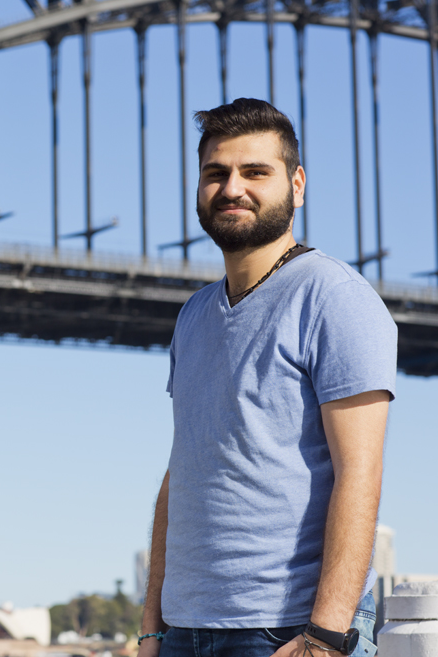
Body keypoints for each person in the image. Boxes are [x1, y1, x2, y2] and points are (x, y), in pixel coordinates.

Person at [137, 99, 397, 657]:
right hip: (184, 630)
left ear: (297, 185)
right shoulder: (194, 314)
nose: (233, 188)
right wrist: (152, 625)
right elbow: (181, 471)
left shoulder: (335, 298)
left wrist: (325, 637)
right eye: (216, 173)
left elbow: (361, 472)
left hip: (284, 631)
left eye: (256, 172)